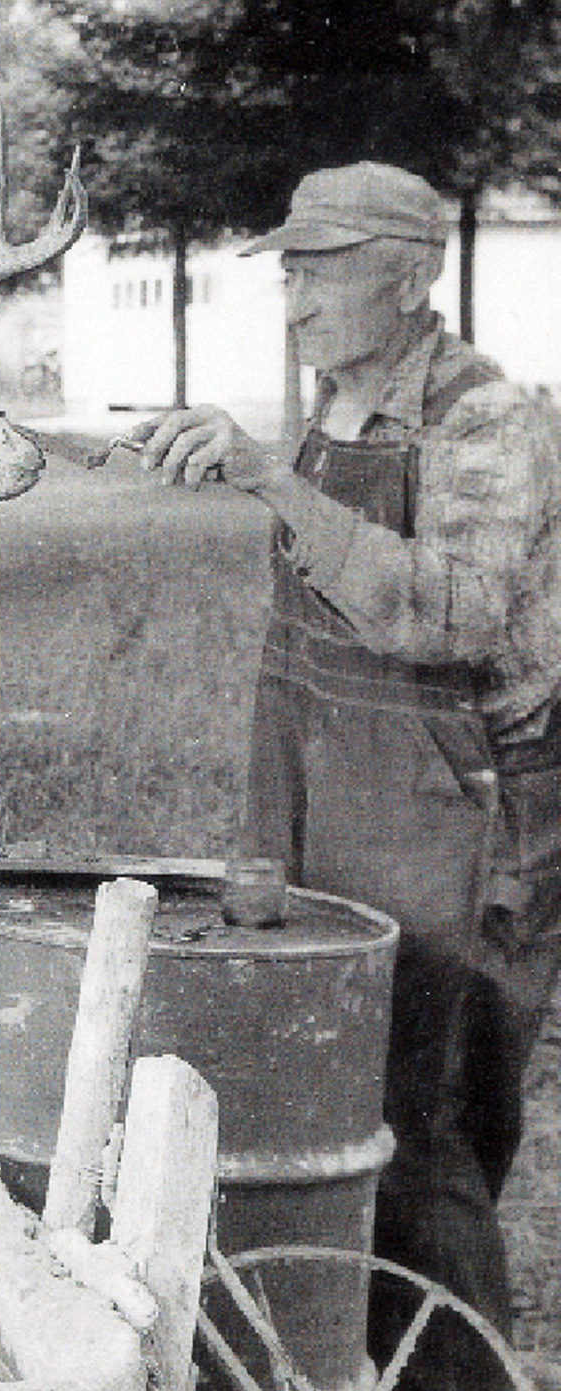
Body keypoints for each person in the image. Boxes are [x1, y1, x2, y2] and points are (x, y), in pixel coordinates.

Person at [134, 162, 561, 1391]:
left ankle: (465, 1371)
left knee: (427, 1143)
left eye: (323, 268)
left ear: (409, 274)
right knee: (329, 1110)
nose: (296, 298)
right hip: (345, 807)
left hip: (471, 816)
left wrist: (266, 477)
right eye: (291, 267)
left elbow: (449, 615)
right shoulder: (335, 413)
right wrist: (263, 840)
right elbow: (292, 661)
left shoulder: (485, 424)